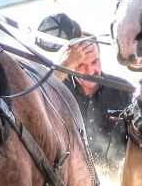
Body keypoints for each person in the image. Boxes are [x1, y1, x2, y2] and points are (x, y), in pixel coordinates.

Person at [56, 35, 132, 171]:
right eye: (81, 65)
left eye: (95, 62)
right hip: (70, 182)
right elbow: (36, 94)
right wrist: (65, 65)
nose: (90, 71)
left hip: (115, 182)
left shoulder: (123, 90)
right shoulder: (58, 88)